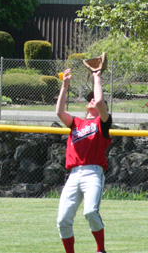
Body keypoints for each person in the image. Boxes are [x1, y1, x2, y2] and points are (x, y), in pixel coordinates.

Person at [56, 68, 112, 253]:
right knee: (63, 220)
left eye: (94, 99)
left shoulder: (102, 122)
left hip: (93, 173)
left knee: (90, 212)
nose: (92, 100)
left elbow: (102, 103)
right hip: (73, 175)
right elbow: (59, 112)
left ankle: (100, 250)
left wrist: (97, 77)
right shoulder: (77, 123)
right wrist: (64, 86)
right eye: (90, 99)